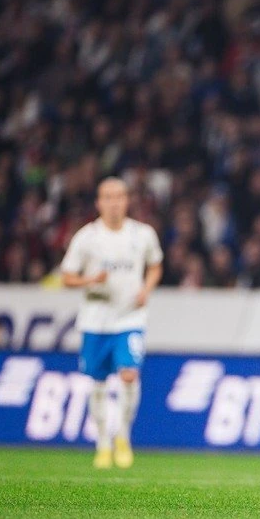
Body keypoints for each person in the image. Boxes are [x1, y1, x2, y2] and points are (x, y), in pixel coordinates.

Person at [60, 178, 163, 469]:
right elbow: (67, 276)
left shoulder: (142, 234)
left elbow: (155, 266)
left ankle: (123, 436)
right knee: (98, 382)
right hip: (96, 319)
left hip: (129, 317)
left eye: (119, 196)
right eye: (108, 197)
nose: (114, 202)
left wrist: (146, 290)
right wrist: (90, 280)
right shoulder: (87, 237)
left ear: (127, 200)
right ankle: (103, 442)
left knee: (129, 374)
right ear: (98, 202)